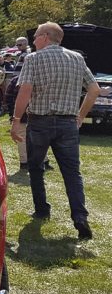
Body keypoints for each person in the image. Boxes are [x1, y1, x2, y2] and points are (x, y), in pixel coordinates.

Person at [10, 21, 100, 240]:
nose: (33, 40)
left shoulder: (33, 59)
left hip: (40, 122)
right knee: (72, 173)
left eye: (36, 36)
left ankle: (42, 209)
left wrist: (16, 120)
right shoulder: (77, 59)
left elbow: (25, 92)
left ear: (46, 37)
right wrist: (80, 116)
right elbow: (94, 89)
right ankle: (80, 217)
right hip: (68, 123)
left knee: (36, 167)